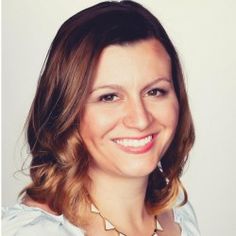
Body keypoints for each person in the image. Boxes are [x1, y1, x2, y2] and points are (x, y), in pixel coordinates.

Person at [2, 1, 201, 235]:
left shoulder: (179, 211)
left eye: (155, 91)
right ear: (69, 110)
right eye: (109, 97)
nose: (140, 120)